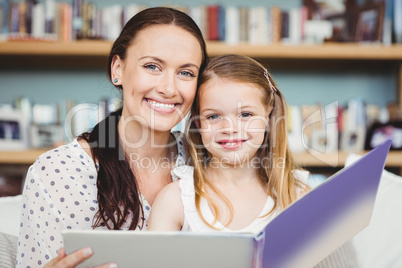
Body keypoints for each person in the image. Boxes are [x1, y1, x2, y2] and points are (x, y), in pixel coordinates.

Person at [16, 7, 208, 268]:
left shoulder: (206, 160)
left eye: (186, 72)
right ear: (118, 68)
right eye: (152, 66)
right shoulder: (56, 173)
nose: (168, 88)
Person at [148, 54, 310, 233]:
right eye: (214, 116)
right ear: (198, 123)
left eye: (245, 115)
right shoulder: (175, 200)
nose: (230, 128)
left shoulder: (298, 195)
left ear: (268, 116)